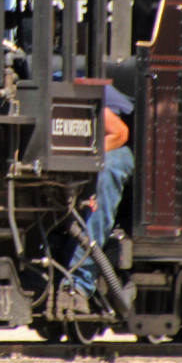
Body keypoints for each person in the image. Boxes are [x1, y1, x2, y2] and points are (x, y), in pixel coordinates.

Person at [68, 85, 134, 298]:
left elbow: (120, 133)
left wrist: (81, 157)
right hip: (93, 143)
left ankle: (80, 282)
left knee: (106, 170)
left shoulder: (72, 88)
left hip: (121, 142)